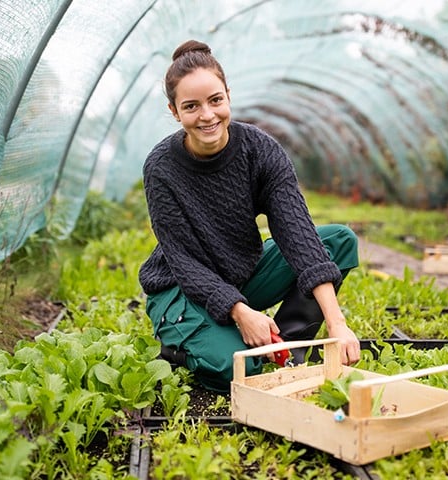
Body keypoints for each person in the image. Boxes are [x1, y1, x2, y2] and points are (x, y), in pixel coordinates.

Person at [138, 40, 361, 392]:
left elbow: (297, 233)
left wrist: (337, 324)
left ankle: (288, 346)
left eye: (215, 100)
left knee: (339, 241)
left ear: (227, 95)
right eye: (191, 106)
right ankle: (184, 345)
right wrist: (241, 312)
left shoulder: (259, 149)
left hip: (239, 273)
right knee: (242, 370)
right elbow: (184, 262)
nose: (208, 115)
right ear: (174, 111)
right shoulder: (162, 167)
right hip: (181, 289)